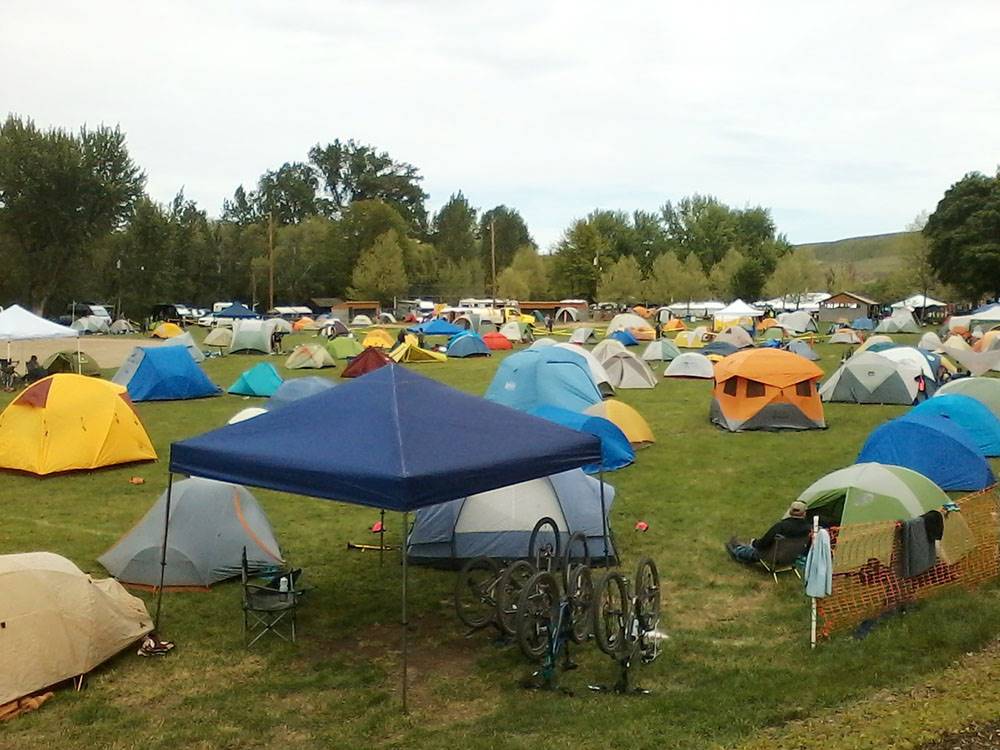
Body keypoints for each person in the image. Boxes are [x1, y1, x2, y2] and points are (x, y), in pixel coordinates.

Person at [726, 501, 811, 563]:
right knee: (755, 549)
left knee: (754, 551)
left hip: (772, 556)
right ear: (804, 513)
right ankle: (739, 546)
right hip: (791, 557)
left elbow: (764, 542)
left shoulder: (781, 526)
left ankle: (737, 550)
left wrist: (754, 542)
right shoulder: (808, 529)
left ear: (790, 512)